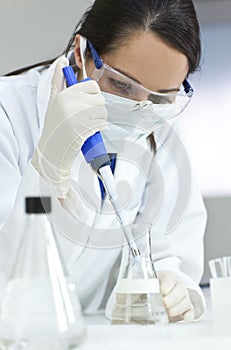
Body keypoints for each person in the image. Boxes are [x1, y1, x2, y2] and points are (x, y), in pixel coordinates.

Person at [0, 0, 207, 323]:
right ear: (82, 52)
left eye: (160, 97)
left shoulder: (159, 124)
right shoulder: (8, 113)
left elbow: (173, 247)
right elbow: (8, 279)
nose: (141, 110)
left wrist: (173, 283)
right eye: (122, 85)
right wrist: (48, 169)